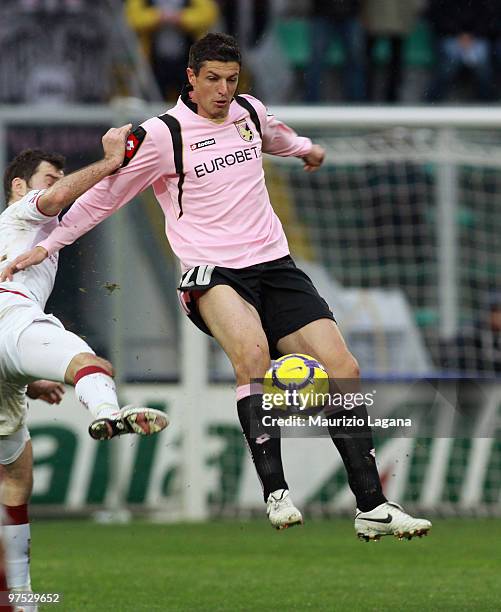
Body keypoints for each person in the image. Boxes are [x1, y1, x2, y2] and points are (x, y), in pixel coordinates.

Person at [1, 33, 431, 540]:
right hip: (211, 272)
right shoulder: (163, 135)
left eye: (231, 79)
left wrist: (307, 150)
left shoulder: (248, 111)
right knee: (252, 358)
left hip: (274, 264)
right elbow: (107, 198)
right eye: (213, 80)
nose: (224, 90)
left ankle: (372, 506)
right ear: (191, 78)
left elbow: (277, 136)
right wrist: (50, 245)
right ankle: (276, 492)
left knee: (343, 368)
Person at [0, 139, 169, 598]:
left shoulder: (22, 237)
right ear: (19, 187)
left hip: (8, 345)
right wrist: (114, 161)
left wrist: (31, 381)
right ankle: (104, 412)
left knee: (15, 471)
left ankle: (15, 598)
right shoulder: (22, 213)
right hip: (10, 316)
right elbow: (57, 199)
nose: (56, 189)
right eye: (47, 179)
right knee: (91, 365)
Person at [125, 0, 219, 101]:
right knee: (154, 101)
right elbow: (132, 17)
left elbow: (208, 14)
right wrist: (157, 17)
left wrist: (181, 18)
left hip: (188, 62)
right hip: (152, 63)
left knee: (190, 102)